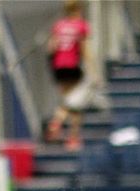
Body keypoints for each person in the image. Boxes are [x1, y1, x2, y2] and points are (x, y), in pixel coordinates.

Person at [46, 0, 91, 151]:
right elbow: (84, 49)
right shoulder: (81, 25)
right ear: (78, 10)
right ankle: (72, 137)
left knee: (68, 100)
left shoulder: (58, 25)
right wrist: (92, 68)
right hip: (72, 65)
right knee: (76, 104)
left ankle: (57, 122)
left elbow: (51, 48)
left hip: (59, 67)